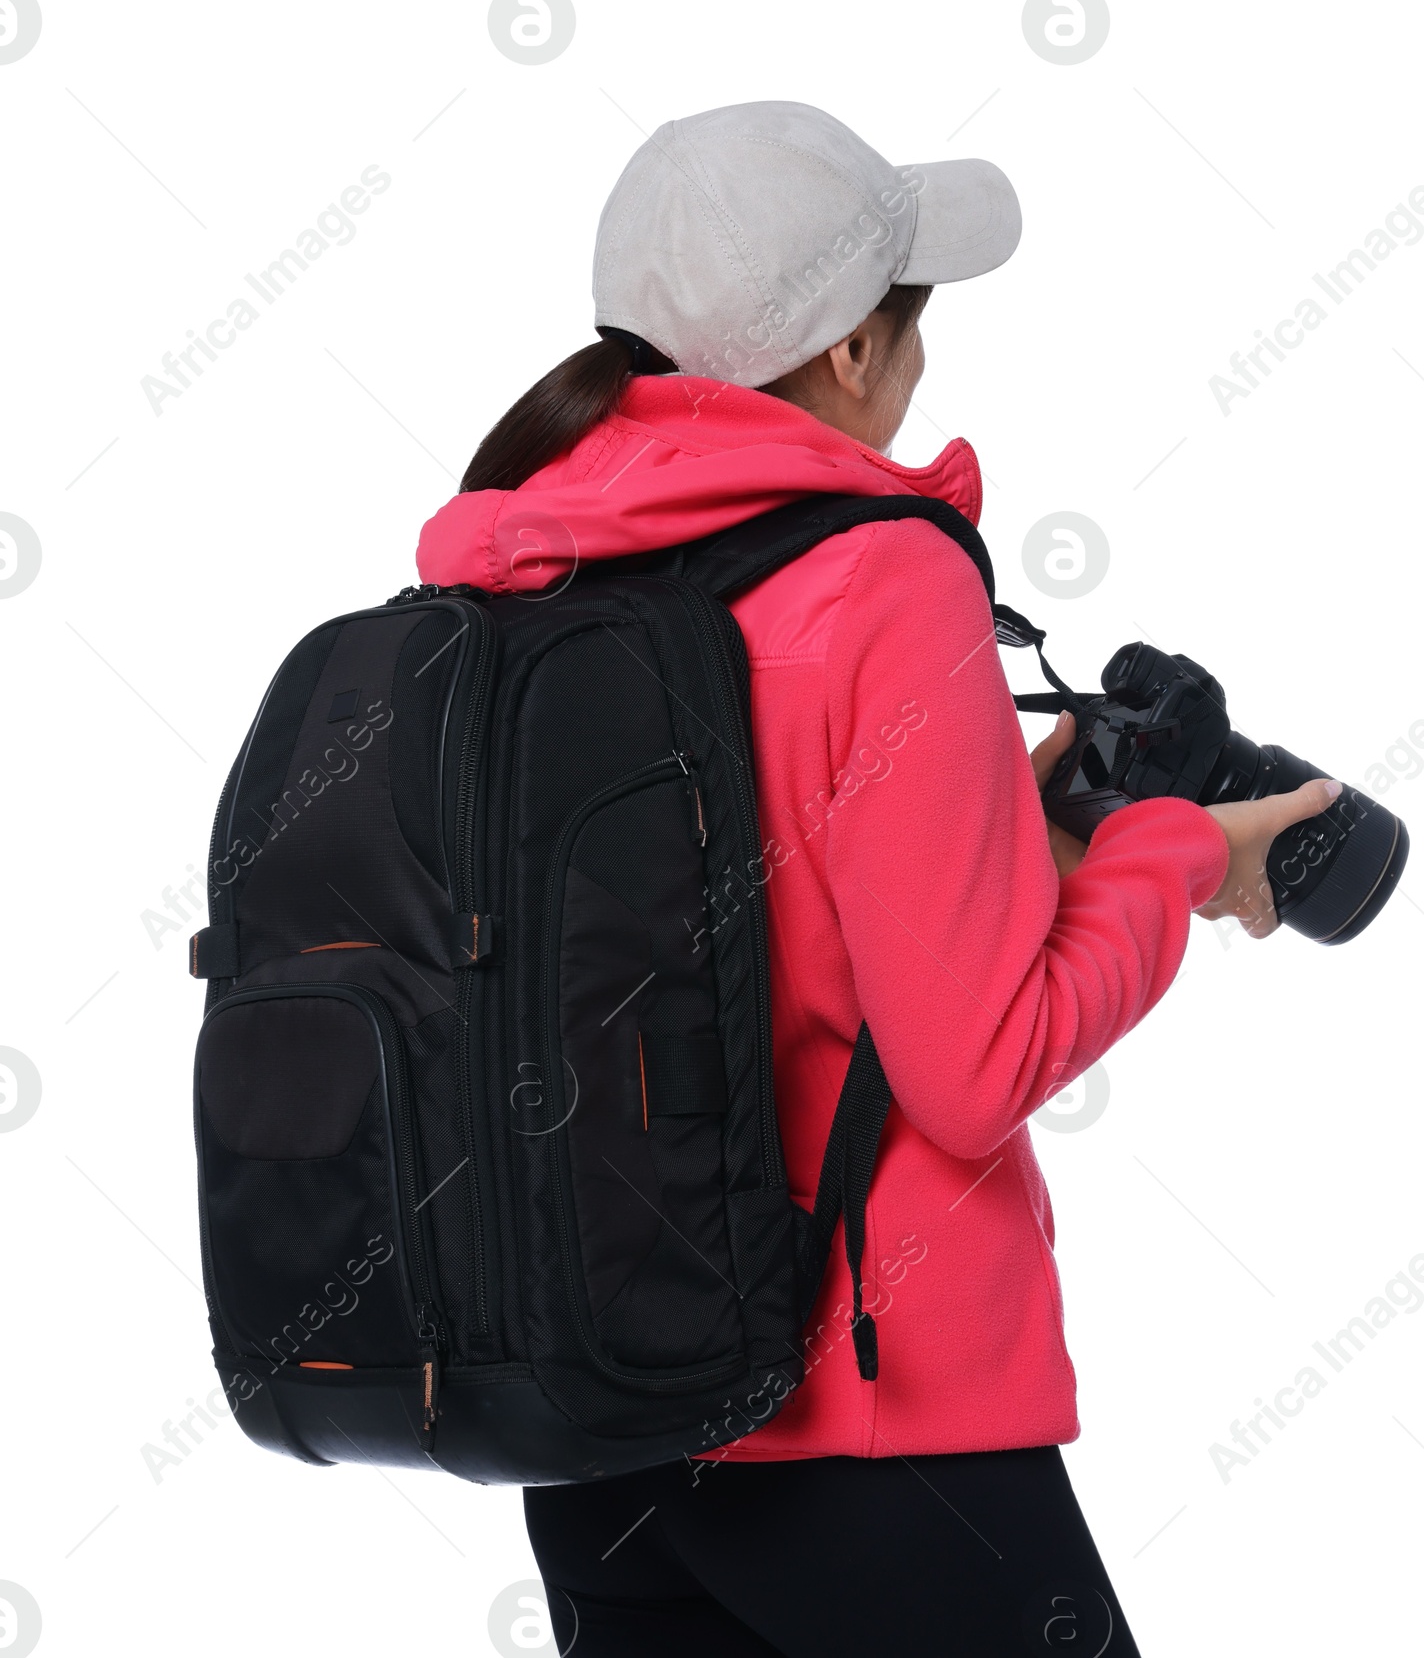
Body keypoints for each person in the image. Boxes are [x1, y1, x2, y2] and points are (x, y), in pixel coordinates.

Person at [418, 99, 1339, 1658]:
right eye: (910, 326)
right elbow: (971, 1070)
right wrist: (1176, 851)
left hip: (596, 1420)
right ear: (851, 355)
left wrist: (1016, 828)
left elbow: (750, 925)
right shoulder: (879, 573)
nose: (919, 366)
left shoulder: (528, 569)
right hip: (871, 1424)